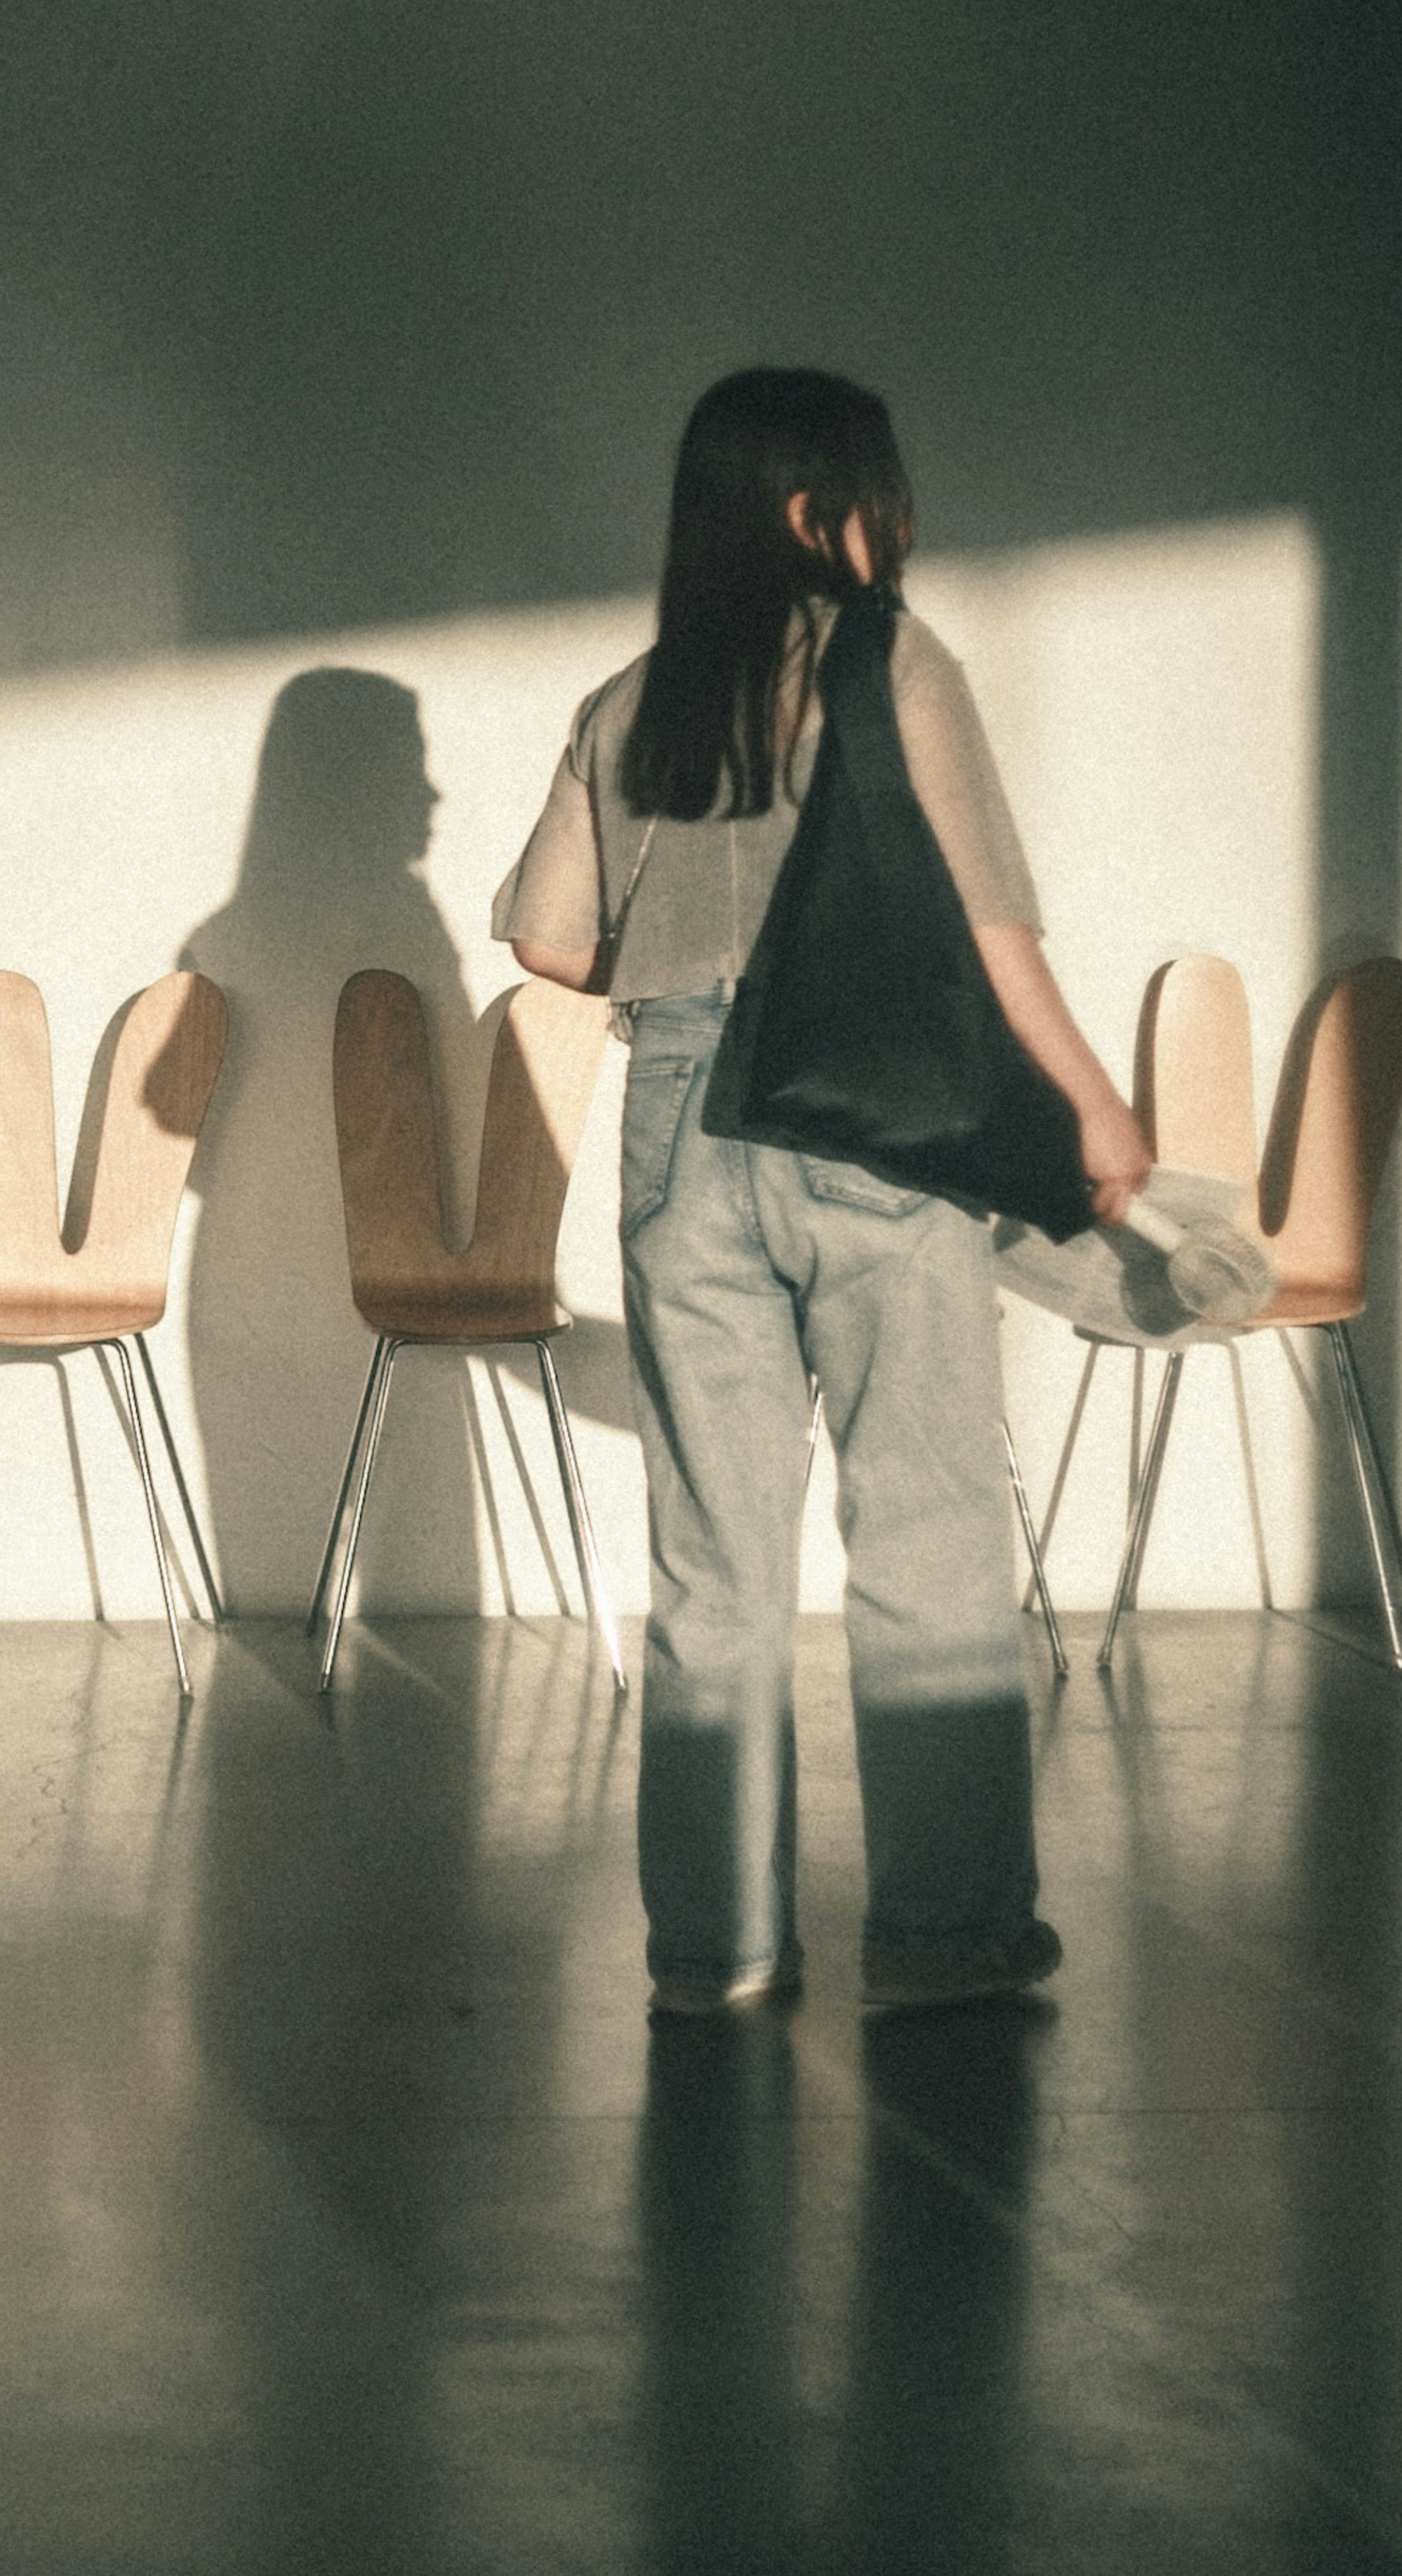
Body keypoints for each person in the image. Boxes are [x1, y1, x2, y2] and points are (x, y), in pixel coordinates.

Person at [494, 367, 1149, 2015]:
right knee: (924, 1524)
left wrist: (689, 941)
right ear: (815, 515)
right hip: (864, 1123)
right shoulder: (896, 663)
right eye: (885, 488)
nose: (903, 518)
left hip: (676, 1127)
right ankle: (944, 1939)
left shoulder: (629, 700)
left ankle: (713, 1956)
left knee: (714, 1559)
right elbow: (995, 930)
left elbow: (547, 942)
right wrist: (1093, 1102)